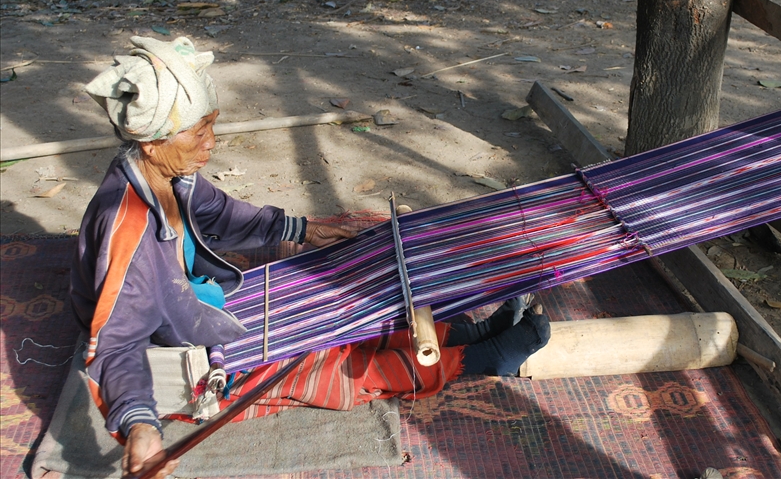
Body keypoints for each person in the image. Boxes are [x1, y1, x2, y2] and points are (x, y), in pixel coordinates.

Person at [71, 36, 551, 478]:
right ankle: (476, 358)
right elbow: (116, 345)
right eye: (198, 134)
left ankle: (468, 332)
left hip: (199, 304)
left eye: (211, 127)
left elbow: (218, 212)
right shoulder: (127, 233)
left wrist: (302, 230)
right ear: (153, 141)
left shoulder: (166, 174)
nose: (210, 144)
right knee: (330, 367)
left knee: (345, 303)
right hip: (177, 347)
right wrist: (138, 423)